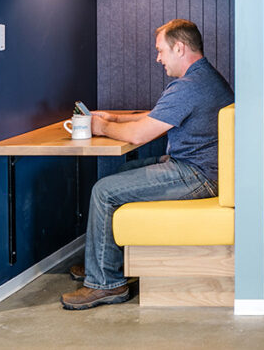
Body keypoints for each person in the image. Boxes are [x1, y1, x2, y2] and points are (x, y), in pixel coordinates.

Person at [60, 19, 234, 310]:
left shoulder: (189, 86)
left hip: (199, 174)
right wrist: (116, 119)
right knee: (123, 173)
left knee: (104, 190)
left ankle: (105, 284)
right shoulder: (204, 77)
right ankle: (104, 262)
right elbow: (158, 116)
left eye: (161, 51)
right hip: (205, 166)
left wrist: (101, 126)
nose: (158, 58)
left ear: (179, 48)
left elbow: (139, 134)